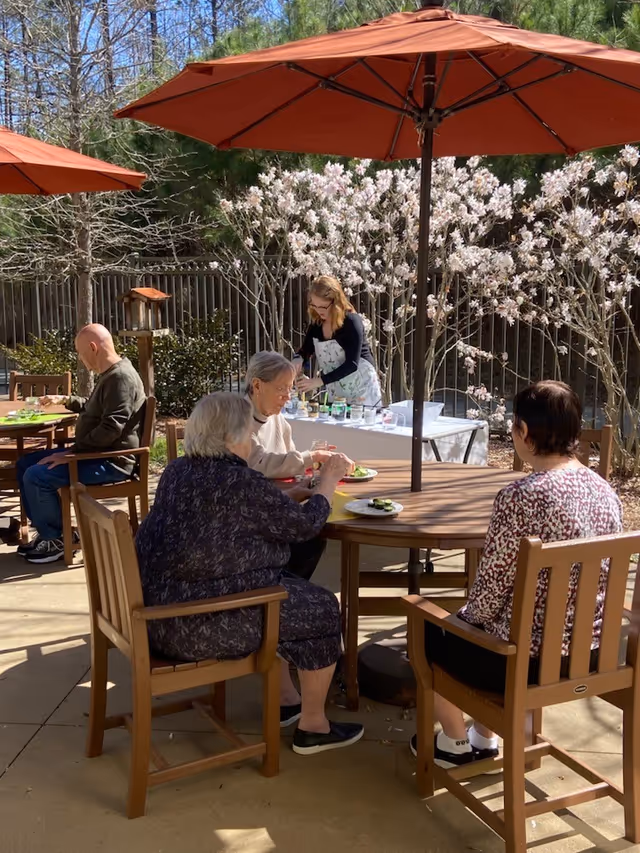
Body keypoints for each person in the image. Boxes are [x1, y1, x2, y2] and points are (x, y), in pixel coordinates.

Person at [136, 392, 364, 755]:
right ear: (229, 439)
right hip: (194, 624)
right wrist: (328, 481)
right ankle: (314, 727)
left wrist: (289, 498)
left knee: (285, 589)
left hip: (158, 610)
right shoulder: (238, 481)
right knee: (320, 607)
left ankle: (287, 701)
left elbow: (223, 518)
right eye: (248, 434)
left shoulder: (180, 470)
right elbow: (306, 527)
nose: (252, 441)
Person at [411, 380, 622, 769]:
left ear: (523, 432)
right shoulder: (604, 490)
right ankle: (482, 736)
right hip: (593, 654)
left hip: (526, 661)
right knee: (489, 621)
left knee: (429, 631)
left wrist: (455, 621)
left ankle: (453, 744)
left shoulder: (521, 496)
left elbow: (488, 597)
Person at [16, 324, 146, 565]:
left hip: (111, 461)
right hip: (96, 453)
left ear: (93, 348)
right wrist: (66, 399)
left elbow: (111, 428)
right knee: (25, 463)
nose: (80, 358)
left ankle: (56, 539)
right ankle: (51, 534)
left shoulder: (121, 378)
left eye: (80, 352)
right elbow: (93, 406)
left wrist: (71, 453)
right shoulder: (111, 374)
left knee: (37, 475)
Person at [246, 351, 353, 580]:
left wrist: (307, 480)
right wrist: (312, 457)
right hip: (252, 515)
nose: (287, 396)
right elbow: (259, 463)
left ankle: (286, 590)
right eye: (281, 388)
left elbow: (288, 461)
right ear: (257, 385)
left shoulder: (277, 418)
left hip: (274, 501)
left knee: (315, 526)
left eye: (290, 388)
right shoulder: (238, 418)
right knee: (309, 535)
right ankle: (280, 592)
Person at [294, 275, 382, 408]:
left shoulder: (352, 322)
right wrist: (298, 359)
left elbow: (352, 364)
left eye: (323, 306)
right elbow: (306, 350)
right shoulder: (316, 326)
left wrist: (318, 381)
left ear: (335, 302)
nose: (318, 310)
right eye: (314, 305)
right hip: (337, 390)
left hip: (362, 389)